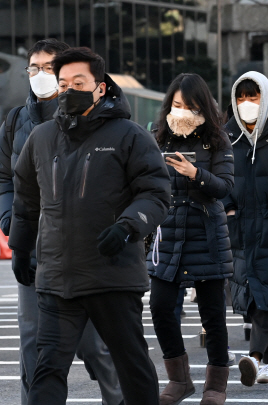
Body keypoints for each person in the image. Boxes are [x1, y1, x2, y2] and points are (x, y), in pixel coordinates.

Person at [8, 47, 169, 405]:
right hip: (56, 279)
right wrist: (20, 247)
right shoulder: (42, 137)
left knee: (131, 365)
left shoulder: (129, 135)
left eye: (78, 83)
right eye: (63, 83)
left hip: (112, 275)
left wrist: (128, 227)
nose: (68, 90)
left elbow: (155, 194)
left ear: (100, 87)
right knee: (46, 370)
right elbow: (26, 202)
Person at [0, 39, 124, 405]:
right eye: (33, 68)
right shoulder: (15, 121)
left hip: (82, 250)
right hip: (32, 245)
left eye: (48, 68)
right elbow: (4, 177)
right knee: (32, 342)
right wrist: (9, 218)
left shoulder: (93, 117)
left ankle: (117, 399)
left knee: (94, 344)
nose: (40, 76)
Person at [146, 73, 234, 405]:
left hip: (206, 235)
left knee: (213, 315)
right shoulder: (157, 140)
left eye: (190, 106)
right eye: (177, 105)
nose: (182, 112)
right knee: (160, 307)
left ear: (204, 108)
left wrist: (196, 174)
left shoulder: (218, 141)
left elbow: (225, 188)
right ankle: (179, 380)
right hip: (168, 237)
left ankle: (216, 384)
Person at [223, 72, 268, 386]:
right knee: (249, 298)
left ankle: (255, 357)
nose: (247, 104)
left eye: (254, 96)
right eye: (241, 97)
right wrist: (228, 207)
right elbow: (220, 177)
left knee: (265, 295)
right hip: (239, 228)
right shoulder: (228, 136)